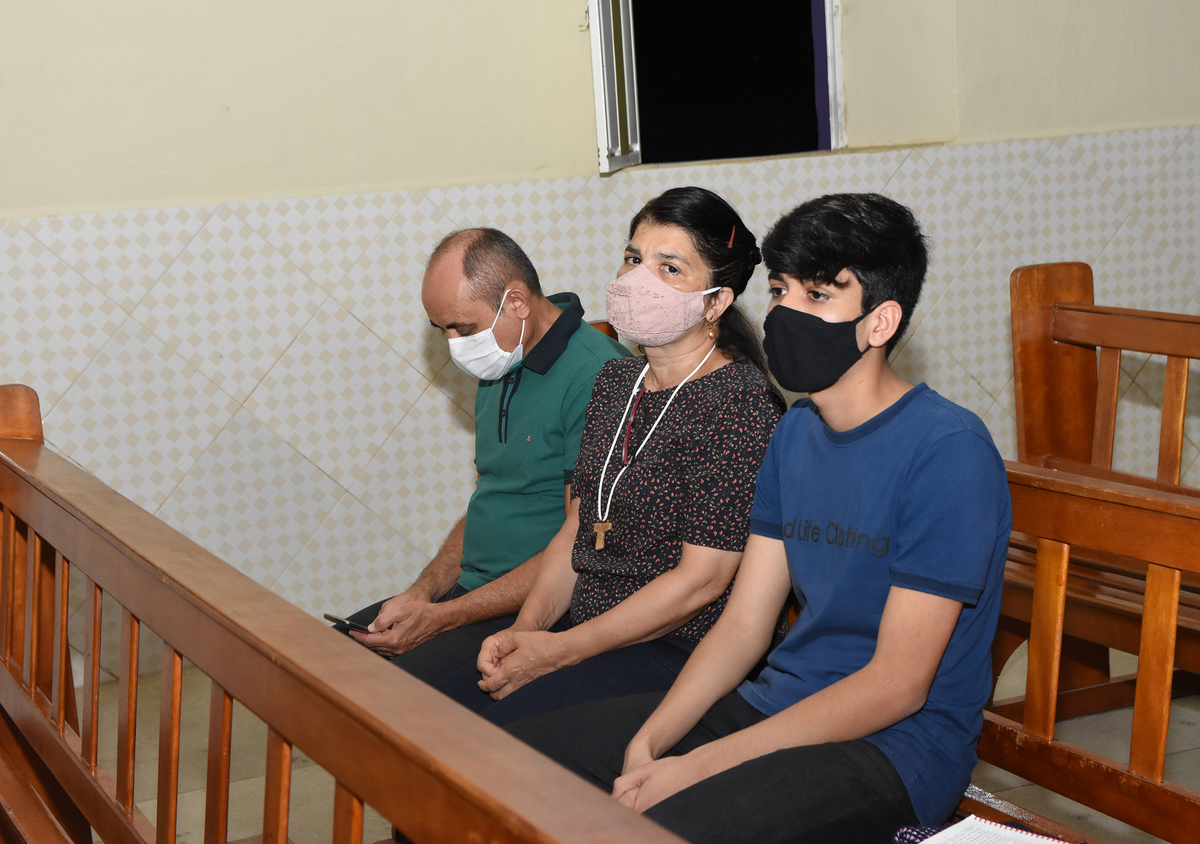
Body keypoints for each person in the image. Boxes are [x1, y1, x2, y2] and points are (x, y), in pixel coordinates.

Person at [508, 193, 1013, 844]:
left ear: (880, 321)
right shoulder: (795, 432)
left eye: (818, 295)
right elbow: (745, 624)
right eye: (779, 290)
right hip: (773, 704)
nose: (785, 313)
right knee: (511, 768)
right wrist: (650, 740)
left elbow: (897, 686)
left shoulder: (947, 452)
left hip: (897, 748)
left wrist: (698, 765)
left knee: (654, 828)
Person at [424, 186, 784, 724]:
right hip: (588, 626)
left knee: (498, 737)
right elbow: (576, 527)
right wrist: (525, 631)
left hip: (678, 645)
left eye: (669, 268)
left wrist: (561, 650)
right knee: (438, 715)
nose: (639, 279)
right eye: (634, 259)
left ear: (716, 302)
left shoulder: (738, 404)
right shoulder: (617, 382)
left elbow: (701, 582)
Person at [340, 228, 627, 677]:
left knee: (387, 693)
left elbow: (582, 545)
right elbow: (491, 499)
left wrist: (443, 618)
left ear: (517, 303)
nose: (455, 345)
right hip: (470, 596)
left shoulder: (599, 374)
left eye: (464, 328)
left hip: (542, 612)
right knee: (328, 660)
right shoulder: (501, 359)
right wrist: (423, 593)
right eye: (442, 330)